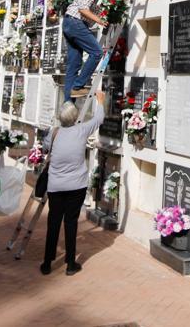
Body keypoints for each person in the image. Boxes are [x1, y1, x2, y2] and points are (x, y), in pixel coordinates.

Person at [40, 91, 107, 276]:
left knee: (53, 222)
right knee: (71, 223)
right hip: (76, 186)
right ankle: (70, 263)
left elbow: (45, 148)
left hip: (55, 186)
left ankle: (47, 263)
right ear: (76, 117)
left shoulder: (54, 133)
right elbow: (99, 118)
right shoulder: (81, 130)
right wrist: (100, 99)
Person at [62, 0, 134, 101]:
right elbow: (82, 9)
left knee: (74, 66)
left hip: (71, 23)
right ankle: (77, 87)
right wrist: (99, 20)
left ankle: (68, 104)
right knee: (96, 52)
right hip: (76, 22)